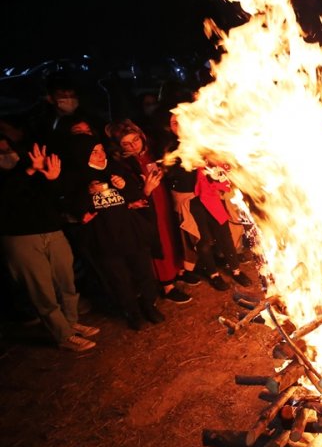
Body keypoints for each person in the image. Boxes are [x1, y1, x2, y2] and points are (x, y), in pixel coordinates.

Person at [0, 138, 100, 351]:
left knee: (67, 281)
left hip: (53, 232)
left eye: (8, 148)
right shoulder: (18, 174)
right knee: (42, 291)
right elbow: (7, 198)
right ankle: (63, 335)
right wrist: (28, 171)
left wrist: (53, 180)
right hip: (21, 240)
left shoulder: (32, 169)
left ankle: (71, 323)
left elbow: (55, 201)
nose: (6, 153)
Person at [65, 136, 165, 331]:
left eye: (101, 149)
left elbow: (136, 197)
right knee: (119, 278)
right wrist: (88, 192)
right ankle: (132, 312)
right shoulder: (79, 176)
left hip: (129, 230)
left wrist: (124, 186)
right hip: (103, 236)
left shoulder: (116, 168)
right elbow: (76, 210)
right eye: (94, 151)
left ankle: (149, 306)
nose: (101, 154)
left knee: (143, 271)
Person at [107, 120, 194, 305]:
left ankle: (178, 271)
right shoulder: (123, 163)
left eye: (135, 140)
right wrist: (144, 190)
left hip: (163, 199)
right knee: (158, 239)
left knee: (171, 234)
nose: (133, 145)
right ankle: (166, 284)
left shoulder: (151, 152)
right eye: (126, 143)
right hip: (147, 207)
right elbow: (126, 192)